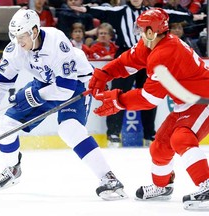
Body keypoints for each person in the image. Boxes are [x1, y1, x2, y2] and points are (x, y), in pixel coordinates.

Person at [0, 9, 127, 200]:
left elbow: (65, 89)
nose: (18, 41)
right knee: (4, 125)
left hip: (76, 84)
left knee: (70, 129)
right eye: (15, 37)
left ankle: (108, 178)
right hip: (44, 83)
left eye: (22, 36)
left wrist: (30, 95)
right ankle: (12, 170)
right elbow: (1, 80)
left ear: (34, 31)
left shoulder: (56, 42)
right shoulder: (17, 47)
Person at [88, 8, 209, 210]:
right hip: (187, 101)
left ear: (152, 31)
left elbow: (150, 98)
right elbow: (129, 61)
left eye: (142, 30)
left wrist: (117, 101)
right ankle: (162, 187)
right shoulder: (154, 43)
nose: (140, 35)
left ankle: (206, 184)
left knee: (181, 137)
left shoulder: (165, 53)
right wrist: (104, 73)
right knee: (160, 144)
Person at [78, 0, 156, 147]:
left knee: (149, 95)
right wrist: (86, 8)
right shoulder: (121, 11)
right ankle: (113, 134)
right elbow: (103, 12)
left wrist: (192, 16)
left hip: (148, 55)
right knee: (117, 95)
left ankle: (149, 135)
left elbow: (171, 15)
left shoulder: (151, 12)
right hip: (127, 54)